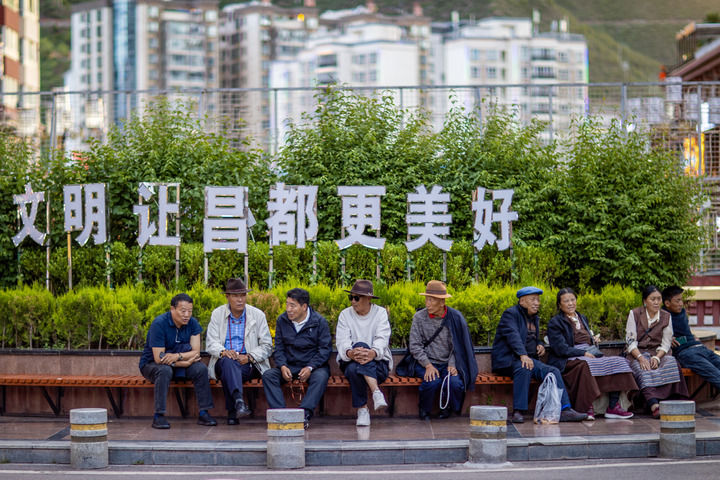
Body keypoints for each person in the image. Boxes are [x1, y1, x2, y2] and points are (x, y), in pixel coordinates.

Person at [492, 286, 587, 423]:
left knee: (553, 371)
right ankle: (518, 412)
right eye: (533, 300)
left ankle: (565, 410)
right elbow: (513, 336)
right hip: (508, 360)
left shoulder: (534, 318)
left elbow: (532, 337)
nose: (537, 303)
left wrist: (540, 344)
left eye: (538, 300)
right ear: (522, 301)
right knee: (524, 367)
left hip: (529, 359)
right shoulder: (511, 314)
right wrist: (523, 354)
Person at [547, 288, 637, 420]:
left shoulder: (582, 318)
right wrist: (583, 352)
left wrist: (592, 341)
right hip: (568, 357)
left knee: (619, 361)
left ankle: (613, 407)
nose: (570, 303)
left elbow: (586, 339)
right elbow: (560, 349)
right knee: (585, 365)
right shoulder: (555, 322)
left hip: (588, 352)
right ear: (559, 305)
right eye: (566, 301)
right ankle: (586, 407)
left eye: (572, 300)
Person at [139, 293, 216, 429]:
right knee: (164, 370)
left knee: (200, 369)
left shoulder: (193, 323)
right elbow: (159, 358)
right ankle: (158, 416)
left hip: (179, 363)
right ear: (172, 309)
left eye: (190, 311)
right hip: (152, 365)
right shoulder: (159, 324)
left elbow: (196, 352)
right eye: (183, 311)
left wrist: (177, 357)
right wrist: (185, 362)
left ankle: (204, 413)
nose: (187, 315)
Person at [262, 288, 332, 429]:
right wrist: (282, 366)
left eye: (292, 305)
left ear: (304, 307)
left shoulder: (319, 322)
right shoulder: (282, 320)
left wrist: (310, 367)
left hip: (313, 367)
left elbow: (325, 350)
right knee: (268, 375)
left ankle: (304, 415)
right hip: (290, 365)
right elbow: (279, 348)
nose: (288, 309)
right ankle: (281, 415)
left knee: (321, 377)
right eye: (287, 304)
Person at [206, 278, 273, 424]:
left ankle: (234, 410)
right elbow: (211, 343)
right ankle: (238, 401)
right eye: (235, 296)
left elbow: (267, 345)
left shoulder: (257, 315)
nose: (240, 299)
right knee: (228, 363)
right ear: (227, 297)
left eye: (243, 295)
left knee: (229, 369)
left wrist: (249, 357)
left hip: (248, 364)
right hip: (223, 361)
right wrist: (223, 352)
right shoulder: (217, 314)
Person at [408, 280, 478, 420]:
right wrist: (428, 365)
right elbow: (414, 345)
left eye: (431, 300)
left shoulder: (455, 317)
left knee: (454, 383)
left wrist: (452, 364)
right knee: (431, 382)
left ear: (442, 302)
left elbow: (457, 346)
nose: (427, 304)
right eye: (426, 299)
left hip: (448, 362)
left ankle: (448, 408)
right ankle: (424, 409)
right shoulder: (419, 317)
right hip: (426, 362)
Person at [626, 285, 689, 418]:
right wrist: (641, 358)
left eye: (658, 299)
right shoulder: (635, 314)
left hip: (658, 352)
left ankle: (674, 401)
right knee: (644, 368)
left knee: (671, 363)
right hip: (638, 353)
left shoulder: (666, 316)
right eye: (652, 299)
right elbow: (630, 342)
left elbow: (666, 343)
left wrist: (657, 357)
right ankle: (653, 404)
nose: (656, 302)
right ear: (645, 301)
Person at [336, 279, 393, 426]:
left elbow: (382, 338)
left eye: (356, 298)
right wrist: (350, 353)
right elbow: (342, 341)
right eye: (351, 297)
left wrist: (372, 353)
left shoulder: (380, 313)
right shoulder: (345, 315)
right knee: (356, 355)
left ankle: (362, 410)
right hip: (350, 360)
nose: (352, 301)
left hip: (378, 362)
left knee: (355, 368)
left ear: (368, 299)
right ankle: (376, 393)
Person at [662, 285, 720, 394]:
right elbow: (652, 334)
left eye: (681, 300)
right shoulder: (662, 317)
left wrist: (691, 337)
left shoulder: (682, 312)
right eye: (677, 301)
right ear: (667, 303)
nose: (681, 303)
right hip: (686, 353)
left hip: (701, 348)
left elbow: (684, 332)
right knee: (717, 376)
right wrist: (666, 338)